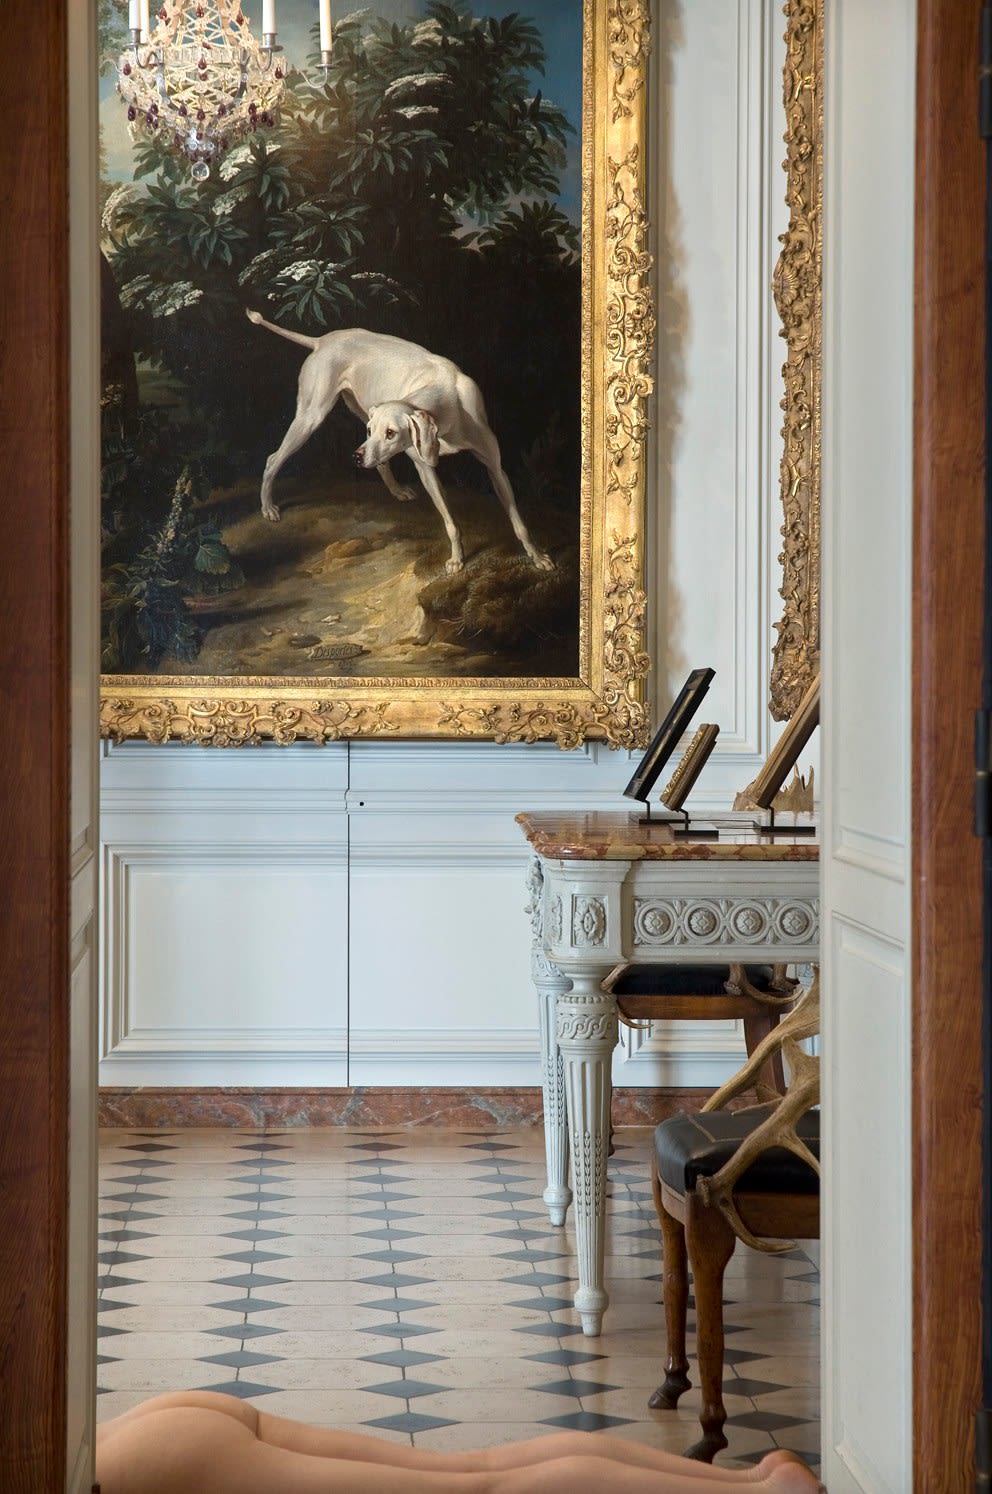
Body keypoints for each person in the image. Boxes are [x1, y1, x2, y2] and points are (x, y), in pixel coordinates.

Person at [96, 1390, 825, 1493]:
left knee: (481, 1488)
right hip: (153, 1424)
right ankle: (749, 1484)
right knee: (473, 1470)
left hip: (142, 1465)